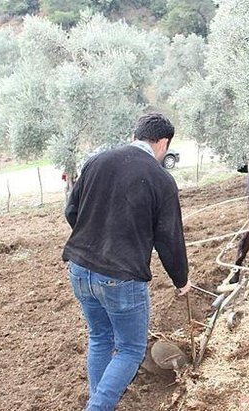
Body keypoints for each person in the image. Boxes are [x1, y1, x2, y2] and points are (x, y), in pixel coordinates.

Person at [62, 112, 191, 410]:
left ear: (136, 135)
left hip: (79, 269)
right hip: (120, 276)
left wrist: (95, 239)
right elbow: (170, 239)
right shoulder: (161, 179)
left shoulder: (96, 161)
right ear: (162, 142)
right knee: (131, 349)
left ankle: (100, 401)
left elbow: (71, 212)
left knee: (100, 338)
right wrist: (181, 280)